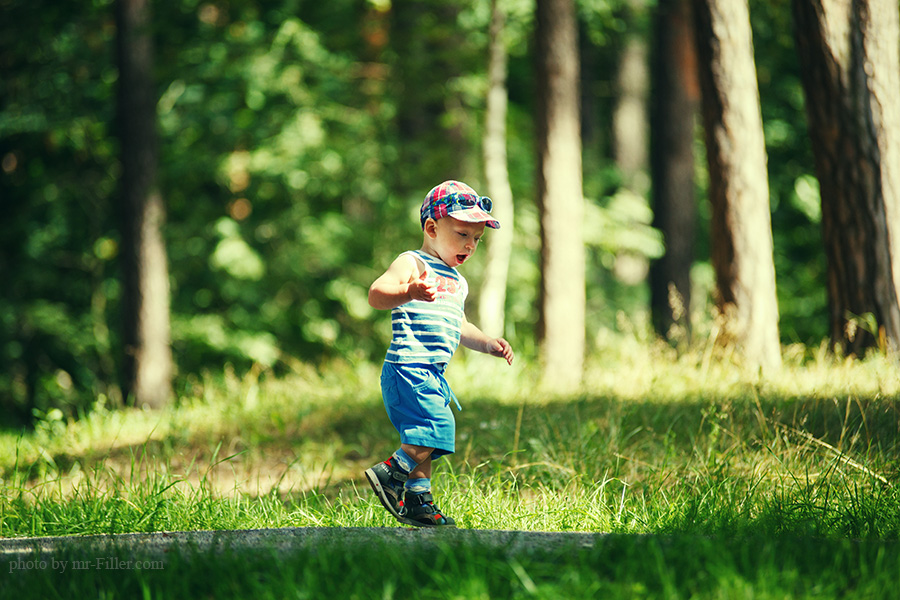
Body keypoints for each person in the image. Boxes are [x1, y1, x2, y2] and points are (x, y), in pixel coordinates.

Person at [365, 180, 514, 527]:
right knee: (435, 424)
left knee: (422, 436)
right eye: (463, 234)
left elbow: (459, 326)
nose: (471, 245)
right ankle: (390, 473)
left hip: (431, 374)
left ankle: (419, 501)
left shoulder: (457, 282)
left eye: (476, 239)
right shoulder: (413, 263)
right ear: (432, 227)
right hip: (407, 366)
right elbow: (376, 294)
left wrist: (488, 342)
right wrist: (409, 290)